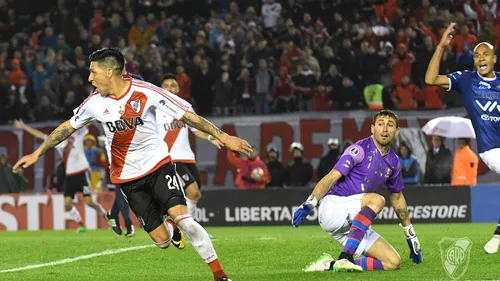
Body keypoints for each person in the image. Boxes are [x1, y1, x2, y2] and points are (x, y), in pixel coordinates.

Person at [13, 48, 252, 281]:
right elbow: (67, 127)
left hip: (159, 166)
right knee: (163, 242)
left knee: (184, 218)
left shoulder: (146, 92)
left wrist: (222, 136)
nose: (89, 78)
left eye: (93, 72)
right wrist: (38, 153)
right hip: (128, 179)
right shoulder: (93, 103)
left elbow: (187, 115)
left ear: (109, 72)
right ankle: (170, 227)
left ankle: (219, 274)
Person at [292, 110, 422, 272]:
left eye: (390, 125)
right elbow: (332, 176)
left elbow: (397, 197)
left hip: (353, 224)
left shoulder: (394, 162)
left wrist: (410, 234)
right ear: (372, 128)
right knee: (378, 200)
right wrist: (310, 202)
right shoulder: (359, 149)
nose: (385, 129)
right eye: (380, 124)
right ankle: (345, 257)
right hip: (334, 207)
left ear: (396, 132)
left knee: (392, 262)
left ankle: (330, 265)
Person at [425, 23, 500, 254]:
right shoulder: (466, 80)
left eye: (485, 54)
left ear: (494, 59)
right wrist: (441, 46)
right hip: (492, 149)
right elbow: (430, 79)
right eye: (477, 56)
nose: (480, 59)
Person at [13, 119, 107, 233]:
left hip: (82, 172)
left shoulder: (78, 134)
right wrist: (24, 126)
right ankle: (81, 225)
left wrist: (94, 115)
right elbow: (39, 135)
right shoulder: (58, 141)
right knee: (67, 205)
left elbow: (87, 123)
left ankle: (106, 215)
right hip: (69, 175)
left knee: (89, 202)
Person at [159, 73, 223, 221]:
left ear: (178, 89)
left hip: (188, 158)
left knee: (195, 195)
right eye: (166, 86)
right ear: (160, 89)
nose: (170, 89)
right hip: (171, 159)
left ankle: (187, 226)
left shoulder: (185, 108)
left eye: (173, 85)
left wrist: (209, 136)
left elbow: (195, 129)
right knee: (192, 192)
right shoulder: (154, 109)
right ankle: (187, 228)